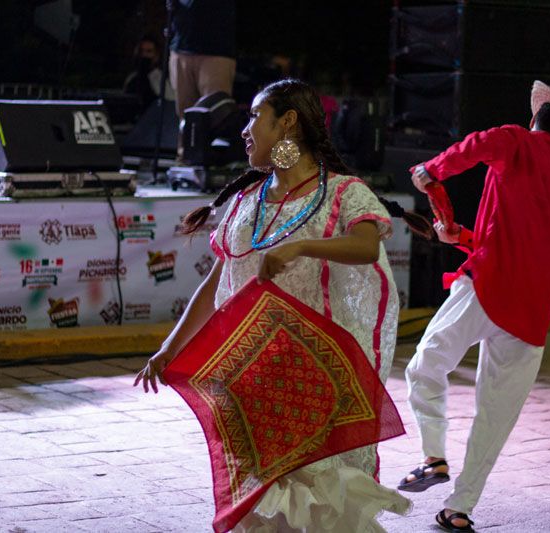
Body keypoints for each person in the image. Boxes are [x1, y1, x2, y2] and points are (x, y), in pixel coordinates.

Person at [134, 78, 431, 532]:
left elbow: (366, 246)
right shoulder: (245, 201)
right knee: (265, 504)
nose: (245, 129)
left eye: (255, 116)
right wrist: (169, 349)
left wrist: (302, 248)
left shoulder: (343, 192)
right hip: (253, 377)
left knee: (318, 502)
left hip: (313, 376)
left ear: (287, 122)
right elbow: (219, 278)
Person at [397, 81, 550, 532]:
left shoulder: (517, 140)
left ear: (537, 117)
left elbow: (476, 145)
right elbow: (525, 240)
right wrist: (465, 237)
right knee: (496, 413)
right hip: (531, 315)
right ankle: (459, 508)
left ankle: (433, 455)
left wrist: (430, 169)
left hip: (489, 287)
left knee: (425, 366)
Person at [168, 0, 238, 160]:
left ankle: (211, 161)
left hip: (216, 50)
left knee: (215, 112)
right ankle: (185, 159)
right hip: (181, 47)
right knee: (184, 112)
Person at [123, 34, 175, 113]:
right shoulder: (132, 78)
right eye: (141, 51)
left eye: (149, 51)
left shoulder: (160, 79)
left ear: (156, 55)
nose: (144, 55)